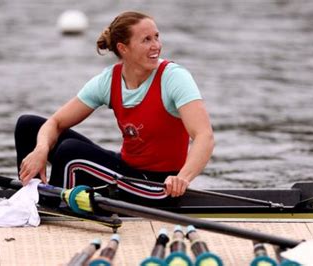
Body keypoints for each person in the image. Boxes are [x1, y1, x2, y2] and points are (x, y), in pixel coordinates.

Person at [15, 11, 214, 204]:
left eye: (157, 37)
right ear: (123, 48)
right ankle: (30, 194)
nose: (156, 46)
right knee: (28, 126)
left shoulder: (174, 77)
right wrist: (41, 150)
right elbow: (56, 122)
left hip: (158, 186)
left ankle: (51, 205)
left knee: (70, 152)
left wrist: (183, 179)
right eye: (146, 40)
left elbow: (204, 136)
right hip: (126, 170)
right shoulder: (109, 80)